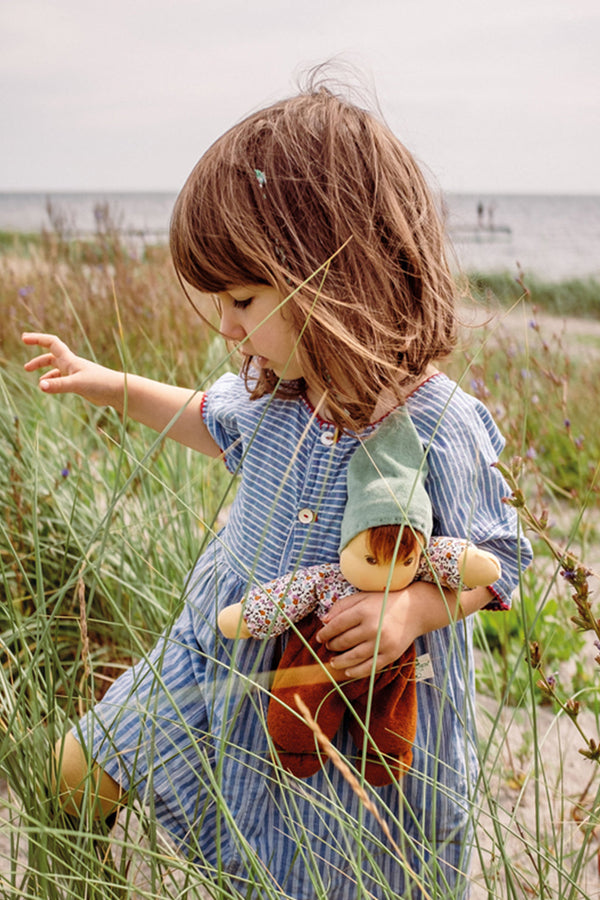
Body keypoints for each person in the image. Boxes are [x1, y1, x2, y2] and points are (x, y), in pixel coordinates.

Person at [22, 75, 532, 899]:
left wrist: (410, 611)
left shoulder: (443, 421)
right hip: (209, 659)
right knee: (78, 766)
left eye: (243, 298)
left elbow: (500, 559)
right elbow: (204, 419)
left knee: (305, 870)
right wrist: (102, 380)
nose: (226, 325)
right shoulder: (274, 394)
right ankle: (77, 880)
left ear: (336, 280)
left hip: (341, 708)